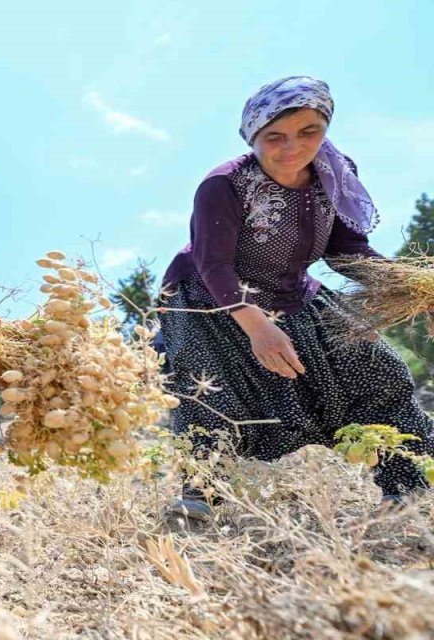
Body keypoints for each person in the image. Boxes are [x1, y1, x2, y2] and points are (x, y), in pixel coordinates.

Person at [159, 76, 433, 521]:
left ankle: (409, 484)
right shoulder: (224, 185)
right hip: (209, 298)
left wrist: (409, 287)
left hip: (291, 292)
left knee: (375, 369)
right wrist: (258, 329)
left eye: (309, 131)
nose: (293, 148)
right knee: (211, 390)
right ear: (253, 137)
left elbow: (346, 250)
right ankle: (200, 497)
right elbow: (214, 265)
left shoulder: (333, 173)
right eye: (275, 137)